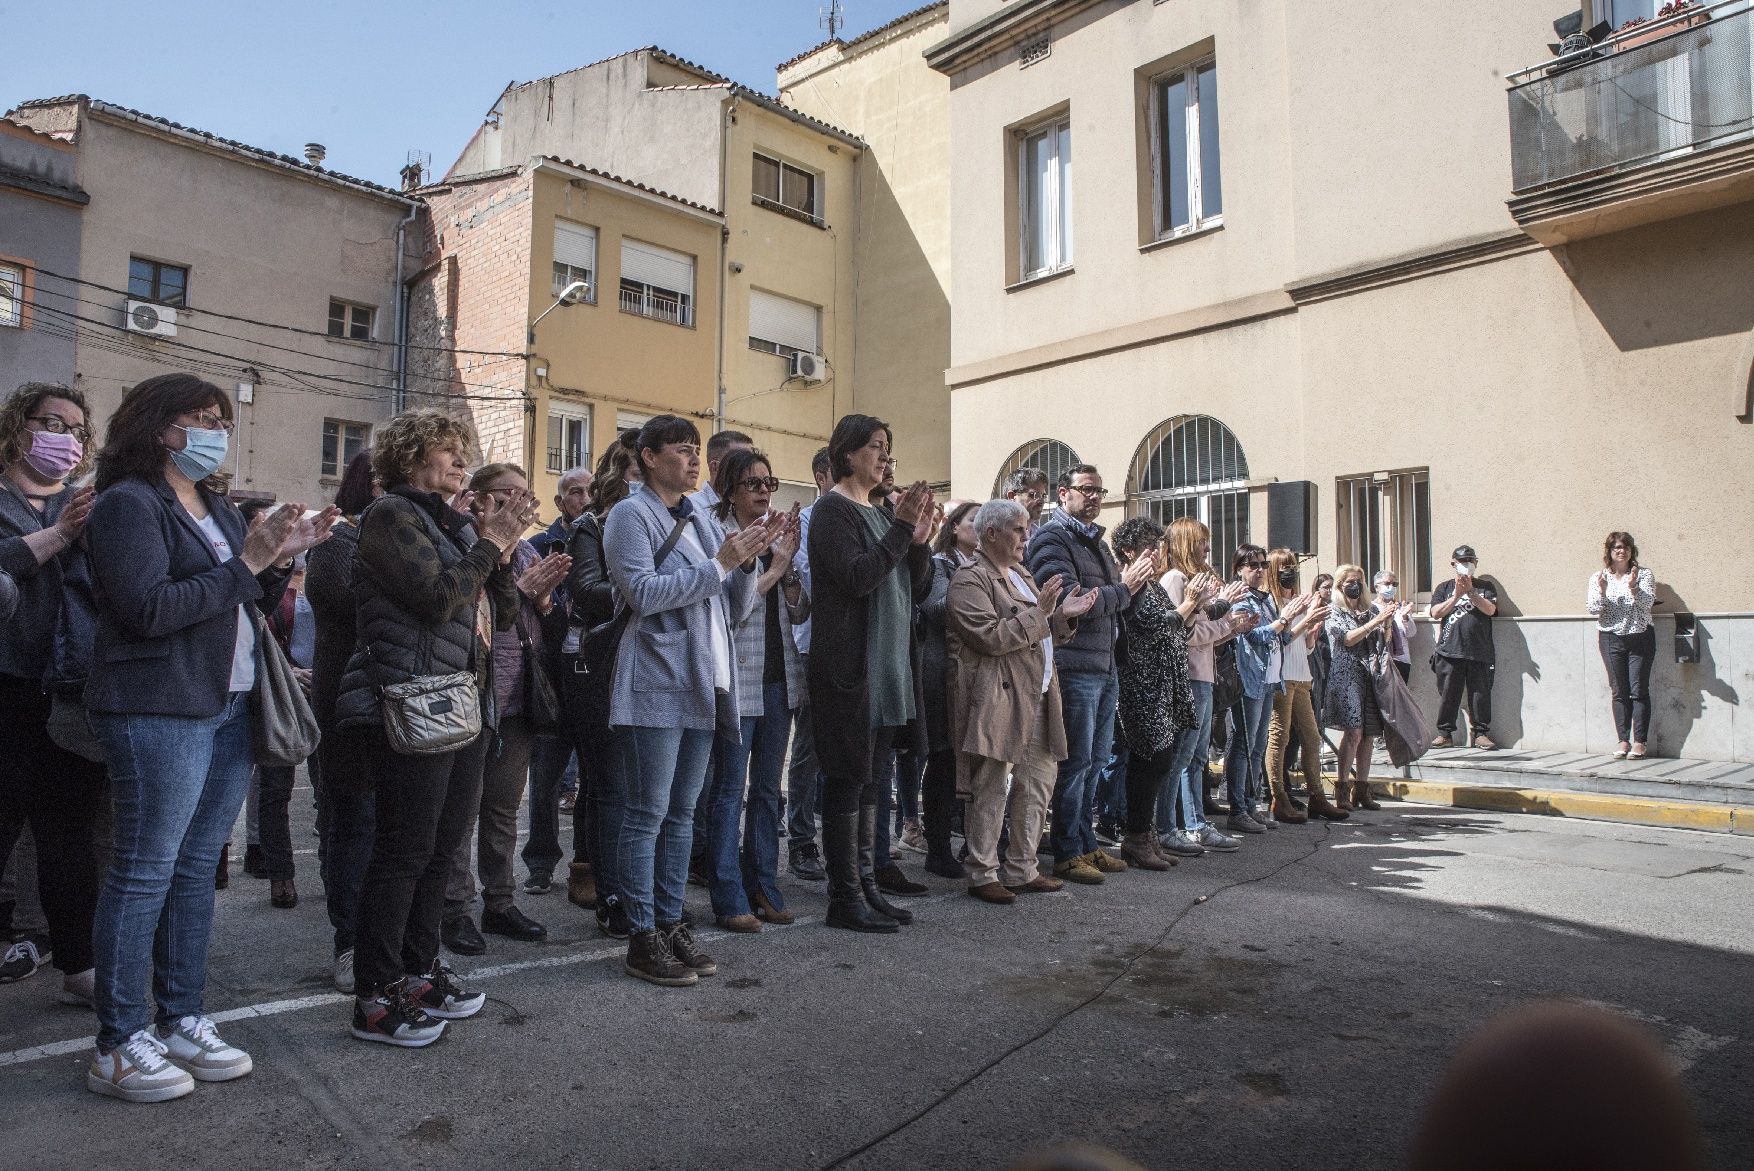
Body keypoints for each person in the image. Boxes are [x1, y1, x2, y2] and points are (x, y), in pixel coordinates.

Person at [84, 373, 334, 1099]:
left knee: (196, 869)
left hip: (226, 704)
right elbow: (148, 609)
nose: (215, 429)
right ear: (158, 425)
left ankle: (181, 1016)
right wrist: (250, 562)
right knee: (144, 869)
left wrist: (283, 556)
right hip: (157, 704)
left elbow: (241, 591)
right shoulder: (129, 503)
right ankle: (118, 1041)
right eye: (200, 417)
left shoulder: (215, 503)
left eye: (220, 418)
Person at [335, 408, 527, 1047]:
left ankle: (419, 972)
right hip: (414, 703)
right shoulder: (393, 516)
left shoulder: (450, 522)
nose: (458, 459)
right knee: (403, 851)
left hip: (462, 703)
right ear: (412, 457)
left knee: (441, 851)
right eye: (446, 450)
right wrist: (488, 545)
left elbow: (494, 612)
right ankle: (374, 994)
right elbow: (438, 598)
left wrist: (495, 551)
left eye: (459, 450)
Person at [602, 415, 774, 985]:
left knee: (682, 815)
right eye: (682, 450)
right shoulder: (630, 515)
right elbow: (643, 594)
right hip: (654, 679)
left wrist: (745, 564)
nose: (695, 460)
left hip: (703, 679)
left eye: (698, 450)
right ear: (649, 457)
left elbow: (732, 605)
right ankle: (641, 934)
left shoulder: (697, 514)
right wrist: (721, 563)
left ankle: (673, 921)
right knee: (647, 813)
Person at [0, 382, 105, 1011]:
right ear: (18, 430)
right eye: (52, 424)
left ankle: (79, 963)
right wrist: (59, 536)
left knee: (69, 837)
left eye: (75, 430)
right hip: (6, 689)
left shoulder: (82, 505)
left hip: (66, 692)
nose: (64, 439)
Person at [808, 414, 935, 932]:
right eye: (875, 447)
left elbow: (917, 589)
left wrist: (921, 539)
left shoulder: (882, 513)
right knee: (847, 780)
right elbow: (858, 578)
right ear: (847, 452)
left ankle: (867, 885)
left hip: (887, 667)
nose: (884, 458)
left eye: (888, 449)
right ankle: (844, 897)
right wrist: (904, 527)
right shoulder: (831, 512)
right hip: (849, 667)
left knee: (873, 783)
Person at [439, 463, 571, 955]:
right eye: (505, 494)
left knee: (501, 809)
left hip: (517, 699)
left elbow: (547, 625)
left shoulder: (531, 549)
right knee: (460, 811)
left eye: (524, 495)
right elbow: (460, 611)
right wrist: (521, 591)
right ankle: (453, 909)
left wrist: (545, 601)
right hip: (471, 696)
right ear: (477, 498)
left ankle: (500, 902)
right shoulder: (464, 543)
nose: (518, 504)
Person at [947, 498, 1092, 903]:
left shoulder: (1022, 574)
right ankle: (981, 872)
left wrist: (1065, 616)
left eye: (1027, 528)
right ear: (991, 533)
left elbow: (1043, 631)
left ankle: (1022, 867)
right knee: (991, 784)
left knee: (1038, 783)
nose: (1026, 536)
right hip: (1000, 697)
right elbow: (990, 637)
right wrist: (1043, 613)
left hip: (1041, 693)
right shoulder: (970, 579)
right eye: (1018, 529)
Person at [1025, 465, 1150, 885]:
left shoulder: (1096, 542)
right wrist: (1125, 589)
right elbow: (1072, 602)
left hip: (1105, 664)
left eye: (1100, 490)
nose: (1095, 497)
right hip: (1075, 665)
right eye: (1086, 490)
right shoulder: (1051, 538)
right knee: (1075, 763)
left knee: (1096, 760)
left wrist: (1136, 586)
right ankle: (1065, 851)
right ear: (1063, 494)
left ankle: (1085, 841)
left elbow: (1116, 602)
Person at [701, 449, 805, 932]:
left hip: (779, 678)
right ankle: (728, 893)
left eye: (770, 481)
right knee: (727, 792)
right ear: (728, 490)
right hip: (737, 679)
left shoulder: (776, 537)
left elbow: (800, 613)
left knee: (768, 790)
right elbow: (728, 613)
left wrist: (788, 575)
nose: (764, 491)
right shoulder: (715, 536)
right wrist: (774, 569)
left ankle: (763, 881)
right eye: (752, 483)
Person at [304, 448, 378, 993]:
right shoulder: (337, 538)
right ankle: (349, 942)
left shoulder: (425, 533)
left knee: (400, 831)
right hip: (348, 705)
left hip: (410, 702)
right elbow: (362, 608)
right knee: (351, 825)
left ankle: (392, 939)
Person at [1110, 518, 1206, 871]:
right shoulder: (1128, 585)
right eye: (1147, 545)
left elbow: (1178, 630)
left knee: (1162, 760)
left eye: (1158, 544)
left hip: (1165, 683)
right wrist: (1188, 606)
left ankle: (1147, 834)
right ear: (1128, 551)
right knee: (1148, 760)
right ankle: (1135, 838)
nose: (1155, 551)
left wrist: (1193, 608)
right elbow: (1154, 626)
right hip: (1141, 683)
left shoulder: (1153, 586)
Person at [1157, 519, 1248, 856]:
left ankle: (1192, 824)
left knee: (1195, 758)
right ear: (1184, 543)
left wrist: (1232, 628)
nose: (1207, 549)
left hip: (1204, 676)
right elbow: (1185, 634)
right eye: (1201, 542)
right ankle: (1170, 826)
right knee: (1180, 757)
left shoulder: (1195, 581)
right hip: (1190, 676)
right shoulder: (1176, 579)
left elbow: (1204, 634)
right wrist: (1225, 622)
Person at [524, 463, 593, 889]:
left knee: (591, 772)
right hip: (550, 671)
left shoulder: (601, 538)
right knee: (546, 776)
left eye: (589, 491)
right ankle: (540, 863)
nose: (584, 498)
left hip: (588, 668)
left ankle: (585, 862)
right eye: (575, 492)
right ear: (559, 501)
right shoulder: (538, 546)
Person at [1225, 544, 1312, 833]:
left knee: (1258, 745)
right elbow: (1251, 635)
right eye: (1253, 565)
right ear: (1239, 569)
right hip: (1250, 678)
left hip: (1268, 679)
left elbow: (1281, 637)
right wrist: (1283, 620)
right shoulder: (1240, 598)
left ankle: (1252, 803)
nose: (1260, 570)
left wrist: (1300, 619)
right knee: (1245, 744)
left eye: (1263, 565)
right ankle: (1238, 807)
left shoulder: (1264, 600)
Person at [916, 500, 978, 878]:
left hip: (976, 673)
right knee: (942, 758)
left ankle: (977, 843)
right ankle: (937, 847)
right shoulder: (941, 564)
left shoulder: (993, 567)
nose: (982, 527)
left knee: (975, 760)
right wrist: (972, 588)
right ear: (954, 527)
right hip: (942, 672)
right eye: (974, 521)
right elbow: (933, 607)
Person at [1263, 549, 1343, 822]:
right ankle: (1278, 797)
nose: (1291, 572)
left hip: (1302, 675)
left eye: (1293, 567)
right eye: (1285, 567)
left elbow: (1306, 646)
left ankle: (1317, 797)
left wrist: (1312, 629)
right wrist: (1304, 620)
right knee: (1279, 738)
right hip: (1282, 677)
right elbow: (1279, 639)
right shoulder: (1272, 603)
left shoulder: (1298, 600)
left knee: (1311, 737)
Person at [785, 447, 835, 882]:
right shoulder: (804, 522)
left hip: (854, 648)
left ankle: (839, 839)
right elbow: (815, 582)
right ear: (822, 476)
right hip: (812, 645)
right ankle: (801, 839)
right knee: (810, 748)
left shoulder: (865, 515)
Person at [1323, 564, 1395, 814]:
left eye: (1358, 581)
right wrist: (1376, 621)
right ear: (1340, 586)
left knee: (1369, 734)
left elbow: (1383, 641)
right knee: (1353, 731)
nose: (1354, 586)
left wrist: (1385, 623)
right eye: (1349, 582)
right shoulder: (1333, 611)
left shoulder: (1370, 609)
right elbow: (1346, 638)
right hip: (1346, 675)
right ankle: (1342, 788)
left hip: (1369, 674)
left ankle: (1362, 788)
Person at [1588, 532, 1657, 760]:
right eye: (1617, 547)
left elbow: (1647, 605)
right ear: (1609, 551)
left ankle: (1639, 742)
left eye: (1626, 547)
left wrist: (1634, 587)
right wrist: (1603, 590)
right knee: (1619, 690)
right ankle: (1623, 740)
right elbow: (1593, 608)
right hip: (1610, 637)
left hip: (1640, 635)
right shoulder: (1599, 577)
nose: (1621, 551)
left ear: (1631, 551)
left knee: (1638, 690)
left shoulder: (1643, 574)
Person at [1429, 544, 1499, 750]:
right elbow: (1435, 613)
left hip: (1480, 651)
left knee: (1480, 695)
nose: (1466, 564)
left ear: (1476, 563)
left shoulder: (1485, 586)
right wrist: (1457, 595)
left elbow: (1491, 609)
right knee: (1448, 694)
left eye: (1470, 560)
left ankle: (1481, 733)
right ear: (1453, 564)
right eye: (1461, 561)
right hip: (1449, 650)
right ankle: (1445, 733)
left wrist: (1471, 593)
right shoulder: (1444, 587)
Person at [1374, 570, 1415, 682]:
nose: (1391, 587)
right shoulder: (1372, 608)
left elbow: (1411, 633)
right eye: (1387, 584)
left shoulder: (1402, 606)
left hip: (1401, 660)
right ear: (1377, 587)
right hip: (1381, 661)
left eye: (1394, 584)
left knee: (1400, 698)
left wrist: (1405, 617)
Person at [1002, 468, 1048, 538]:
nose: (1041, 501)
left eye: (1043, 496)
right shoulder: (998, 536)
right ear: (1011, 496)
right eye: (1034, 495)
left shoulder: (1042, 537)